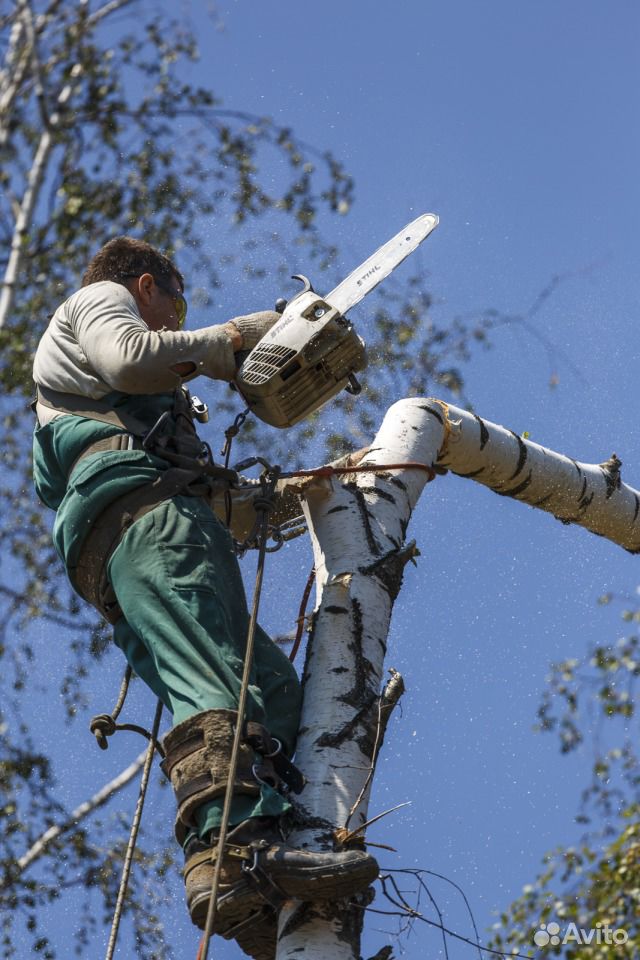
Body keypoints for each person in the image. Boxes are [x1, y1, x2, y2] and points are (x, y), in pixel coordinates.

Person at [31, 237, 378, 959]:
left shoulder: (136, 415)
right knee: (219, 675)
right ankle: (229, 855)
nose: (172, 322)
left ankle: (276, 876)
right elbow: (131, 356)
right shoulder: (102, 302)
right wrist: (227, 342)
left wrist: (291, 497)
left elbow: (209, 499)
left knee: (279, 695)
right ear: (148, 284)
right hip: (146, 523)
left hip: (140, 534)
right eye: (174, 306)